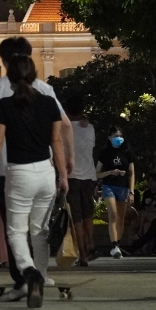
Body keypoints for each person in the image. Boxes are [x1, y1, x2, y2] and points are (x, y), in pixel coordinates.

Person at [0, 37, 71, 301]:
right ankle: (40, 274)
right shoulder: (49, 101)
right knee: (39, 229)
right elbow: (56, 141)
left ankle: (28, 272)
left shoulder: (5, 103)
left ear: (9, 73)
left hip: (17, 173)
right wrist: (62, 174)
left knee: (16, 230)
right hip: (45, 172)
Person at [63, 96, 97, 265]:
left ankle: (82, 254)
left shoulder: (64, 129)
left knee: (76, 217)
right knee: (88, 214)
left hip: (72, 177)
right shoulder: (90, 128)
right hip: (89, 177)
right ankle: (91, 242)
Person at [95, 125, 135, 259]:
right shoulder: (105, 153)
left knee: (120, 218)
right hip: (109, 186)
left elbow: (131, 173)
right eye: (115, 136)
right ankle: (114, 245)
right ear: (109, 138)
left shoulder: (127, 152)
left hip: (123, 187)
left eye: (120, 136)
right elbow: (97, 174)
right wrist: (110, 172)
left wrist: (132, 191)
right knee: (112, 214)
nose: (118, 138)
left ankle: (118, 243)